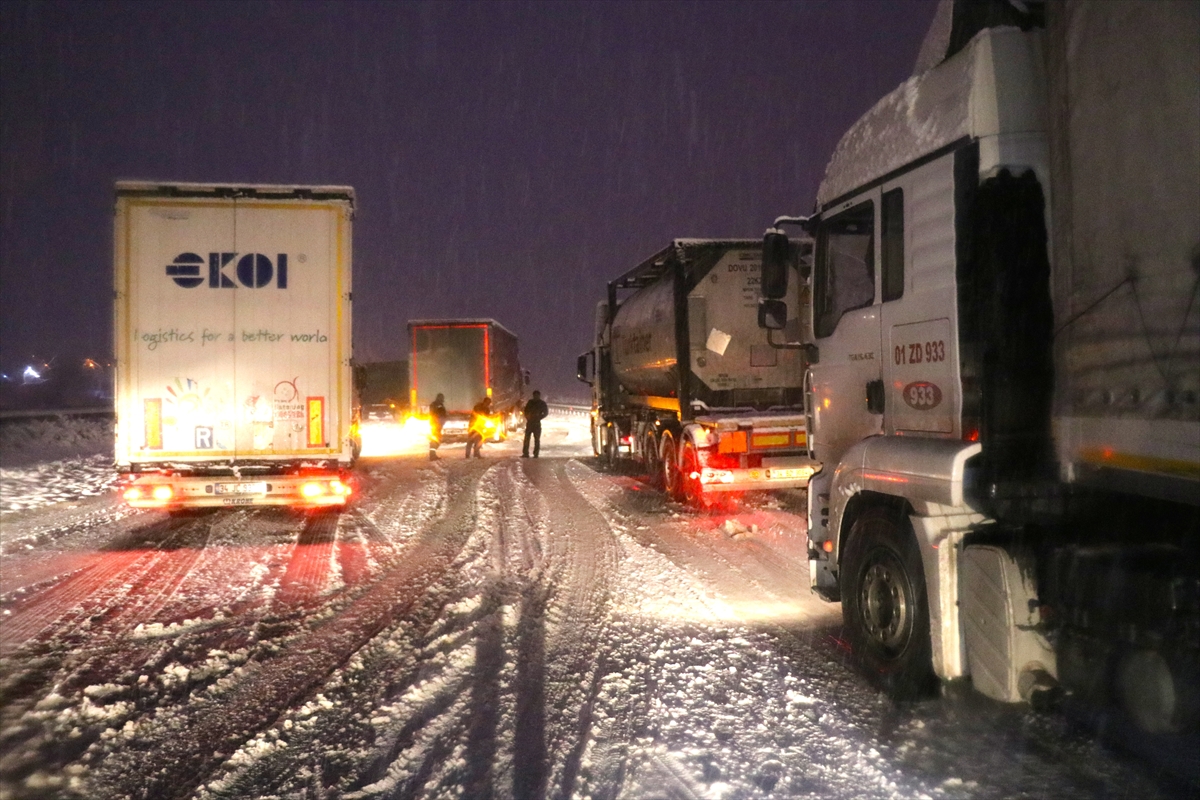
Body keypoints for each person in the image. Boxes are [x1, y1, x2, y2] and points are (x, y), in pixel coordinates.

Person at [522, 390, 549, 458]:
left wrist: (539, 417)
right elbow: (525, 410)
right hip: (530, 422)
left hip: (536, 423)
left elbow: (545, 412)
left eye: (537, 395)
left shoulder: (541, 403)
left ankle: (536, 454)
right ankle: (526, 453)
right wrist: (527, 417)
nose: (536, 397)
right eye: (535, 395)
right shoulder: (530, 402)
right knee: (527, 439)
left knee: (536, 439)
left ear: (539, 396)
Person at [428, 393, 447, 460]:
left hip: (437, 424)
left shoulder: (436, 404)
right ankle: (432, 455)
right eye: (442, 398)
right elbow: (437, 413)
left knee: (437, 439)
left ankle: (433, 454)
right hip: (436, 425)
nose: (443, 399)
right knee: (436, 439)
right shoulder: (436, 405)